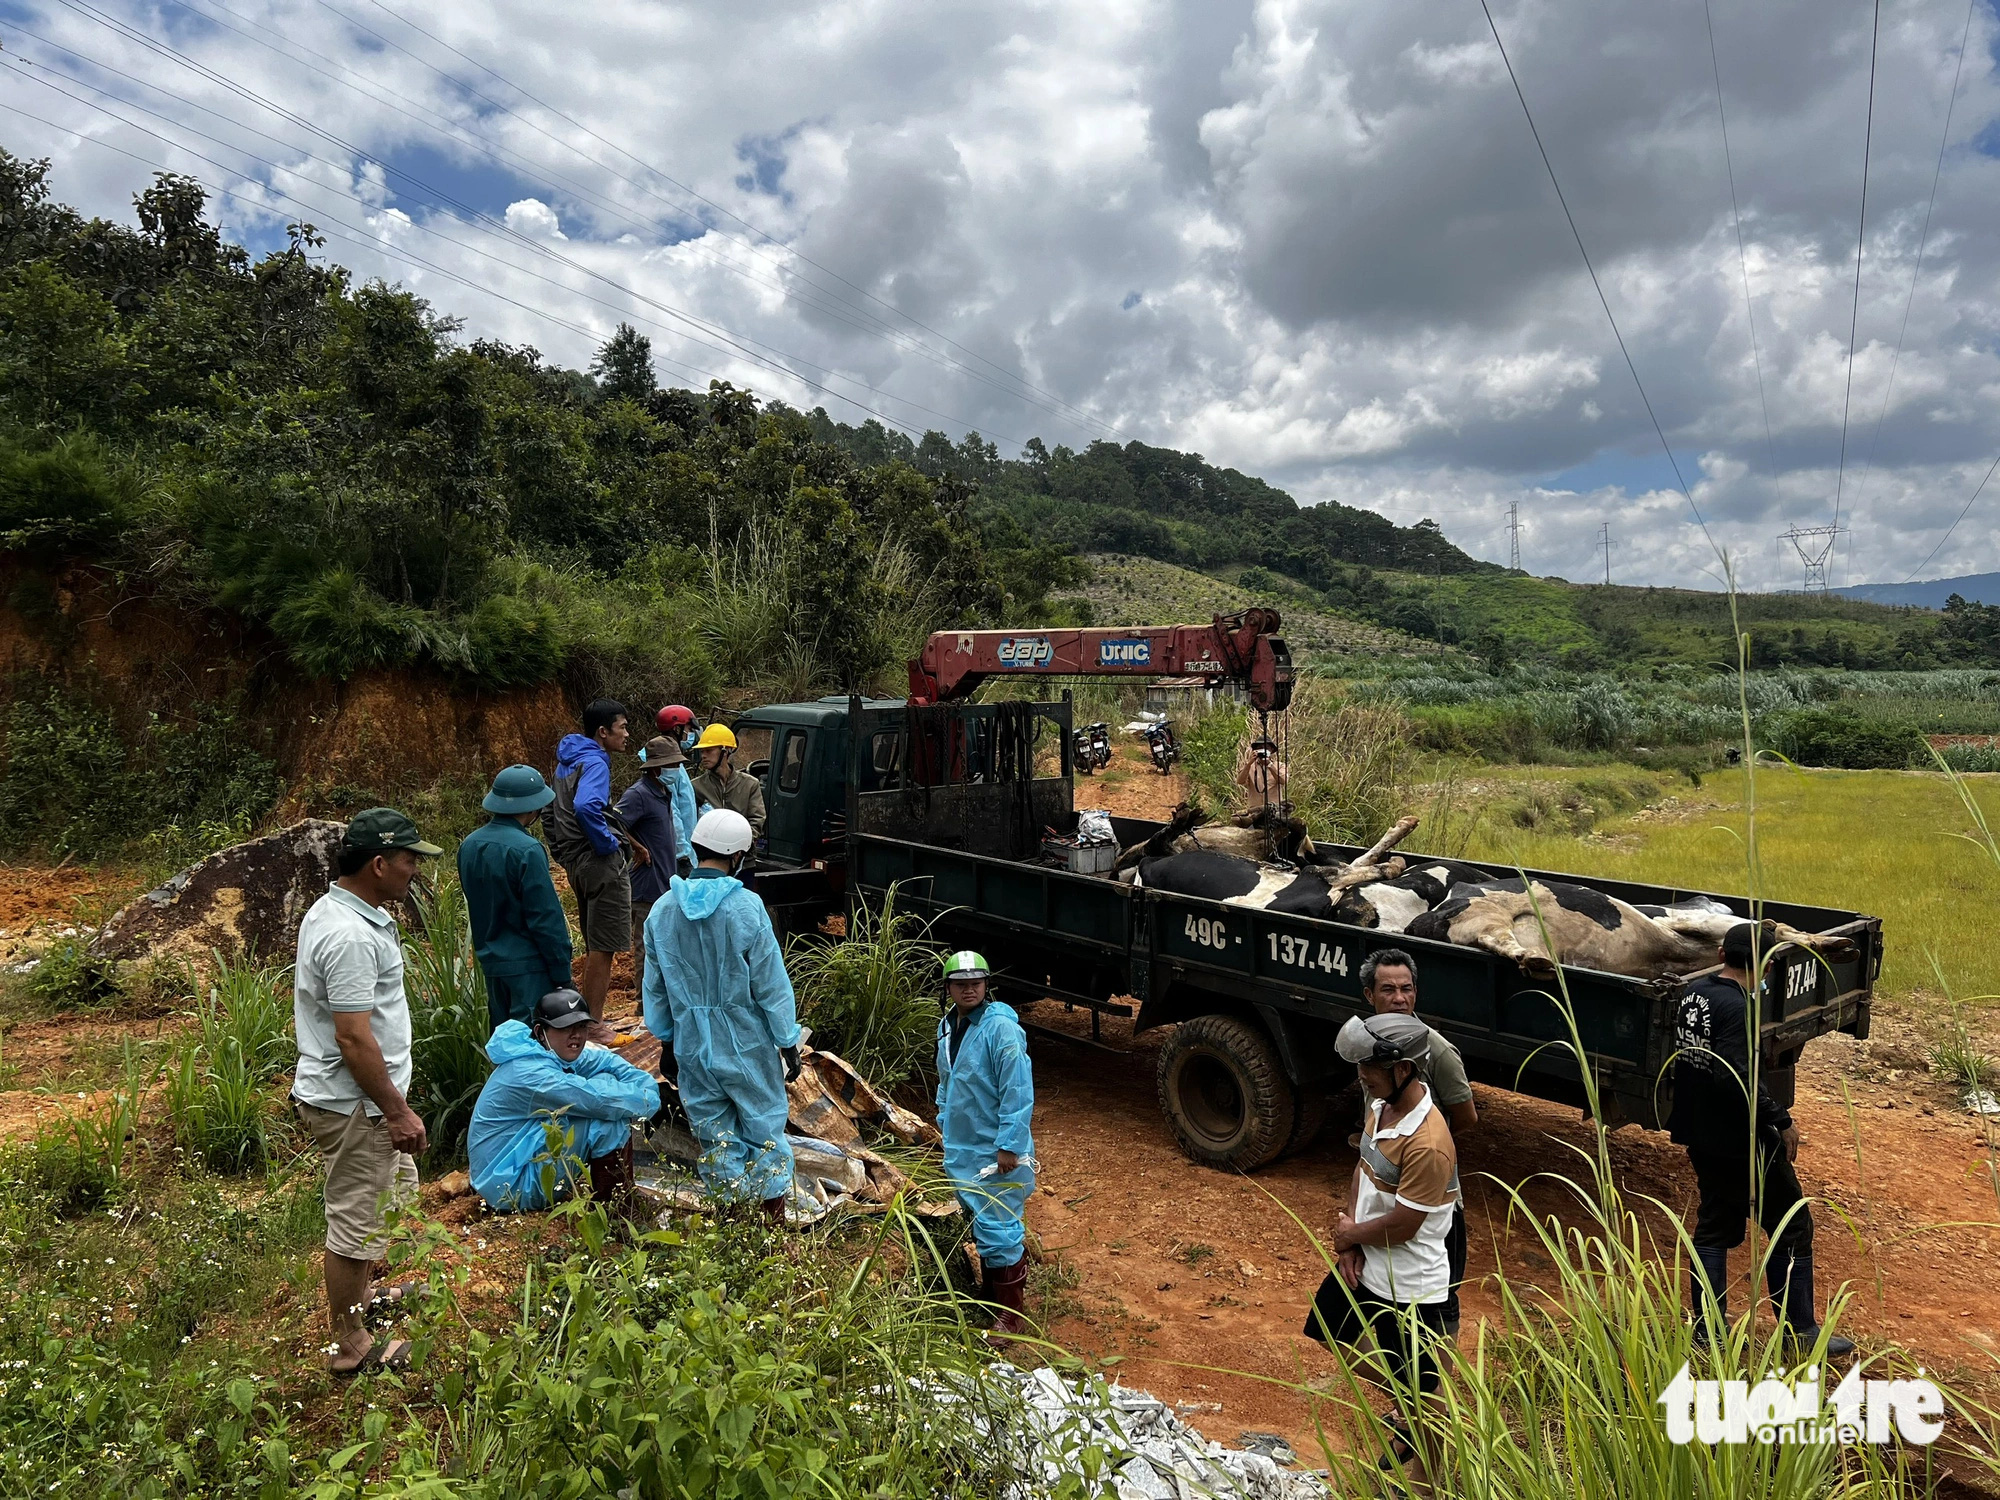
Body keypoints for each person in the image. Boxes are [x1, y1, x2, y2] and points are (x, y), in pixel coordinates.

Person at [291, 807, 442, 1376]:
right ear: (379, 864)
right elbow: (353, 1038)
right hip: (358, 1105)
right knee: (355, 1222)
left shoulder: (348, 912)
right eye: (409, 861)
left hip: (364, 1100)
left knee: (385, 1200)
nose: (414, 872)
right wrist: (396, 1110)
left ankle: (364, 1297)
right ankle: (348, 1344)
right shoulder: (350, 935)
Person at [1672, 922, 1855, 1356]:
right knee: (1792, 1224)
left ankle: (1707, 1331)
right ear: (1769, 966)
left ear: (1721, 955)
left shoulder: (1694, 995)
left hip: (1700, 1132)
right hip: (1740, 1138)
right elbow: (1736, 1078)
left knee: (1715, 1225)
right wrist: (1780, 1119)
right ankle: (1800, 1332)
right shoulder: (1739, 1008)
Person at [1305, 1012, 1458, 1478]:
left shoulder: (1429, 1142)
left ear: (1403, 1069)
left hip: (1409, 1284)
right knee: (1328, 1329)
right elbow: (1363, 1167)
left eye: (1368, 1067)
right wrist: (1350, 1237)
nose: (1361, 1075)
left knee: (1423, 1391)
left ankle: (1431, 1481)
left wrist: (1351, 1235)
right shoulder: (1378, 1106)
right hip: (1367, 1259)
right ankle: (1409, 1407)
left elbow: (1408, 1223)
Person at [640, 808, 802, 1217]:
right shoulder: (747, 908)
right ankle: (770, 1228)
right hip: (747, 1040)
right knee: (765, 1129)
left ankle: (732, 1226)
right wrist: (787, 1041)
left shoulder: (661, 911)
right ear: (738, 856)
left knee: (715, 1134)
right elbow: (771, 985)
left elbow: (655, 989)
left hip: (692, 1043)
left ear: (696, 849)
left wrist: (667, 1042)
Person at [1360, 949, 1477, 1336]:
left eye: (1406, 989)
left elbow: (1465, 1116)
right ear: (1369, 996)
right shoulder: (1368, 1049)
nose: (1399, 998)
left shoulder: (1437, 1051)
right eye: (1388, 989)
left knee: (1439, 1301)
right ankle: (1405, 1383)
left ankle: (1435, 1389)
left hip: (1434, 1202)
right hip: (1385, 1196)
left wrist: (1421, 1152)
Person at [467, 988, 661, 1213]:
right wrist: (647, 1097)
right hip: (509, 1186)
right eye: (564, 1027)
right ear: (541, 1032)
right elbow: (600, 1101)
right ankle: (618, 1211)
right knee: (606, 1121)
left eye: (581, 1026)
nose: (576, 1035)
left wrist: (646, 1089)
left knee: (606, 1079)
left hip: (512, 1163)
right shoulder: (530, 1074)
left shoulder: (542, 1052)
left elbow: (605, 1061)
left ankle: (617, 1199)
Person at [935, 950, 1037, 1337]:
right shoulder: (947, 1026)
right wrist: (943, 1120)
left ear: (986, 985)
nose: (969, 989)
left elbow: (1017, 1087)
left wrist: (1010, 1143)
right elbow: (948, 1080)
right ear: (949, 988)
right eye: (961, 984)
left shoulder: (1000, 1029)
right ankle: (993, 1294)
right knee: (980, 1221)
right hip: (963, 1143)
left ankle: (1011, 1316)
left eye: (976, 983)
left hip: (996, 1148)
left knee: (999, 1226)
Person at [458, 765, 574, 1033]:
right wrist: (561, 973)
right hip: (529, 967)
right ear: (533, 808)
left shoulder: (469, 845)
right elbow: (545, 917)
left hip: (492, 965)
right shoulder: (527, 850)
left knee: (504, 1042)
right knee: (532, 1045)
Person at [551, 699, 635, 1022]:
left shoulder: (566, 761)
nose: (627, 734)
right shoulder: (596, 762)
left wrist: (563, 853)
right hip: (599, 863)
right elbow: (587, 806)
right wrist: (607, 844)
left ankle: (587, 1019)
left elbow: (549, 810)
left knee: (593, 943)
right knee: (603, 946)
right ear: (603, 732)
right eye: (622, 727)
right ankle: (595, 1024)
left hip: (576, 863)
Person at [619, 737, 694, 993]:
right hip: (646, 885)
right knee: (645, 946)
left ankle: (661, 999)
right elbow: (612, 823)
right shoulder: (638, 794)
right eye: (671, 764)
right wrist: (637, 847)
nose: (675, 769)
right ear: (655, 768)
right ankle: (644, 1003)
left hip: (665, 882)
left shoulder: (664, 792)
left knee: (666, 944)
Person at [690, 723, 766, 840]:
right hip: (710, 854)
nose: (703, 756)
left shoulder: (750, 784)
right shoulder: (696, 787)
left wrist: (741, 846)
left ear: (726, 751)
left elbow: (757, 820)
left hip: (743, 854)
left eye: (709, 750)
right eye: (702, 751)